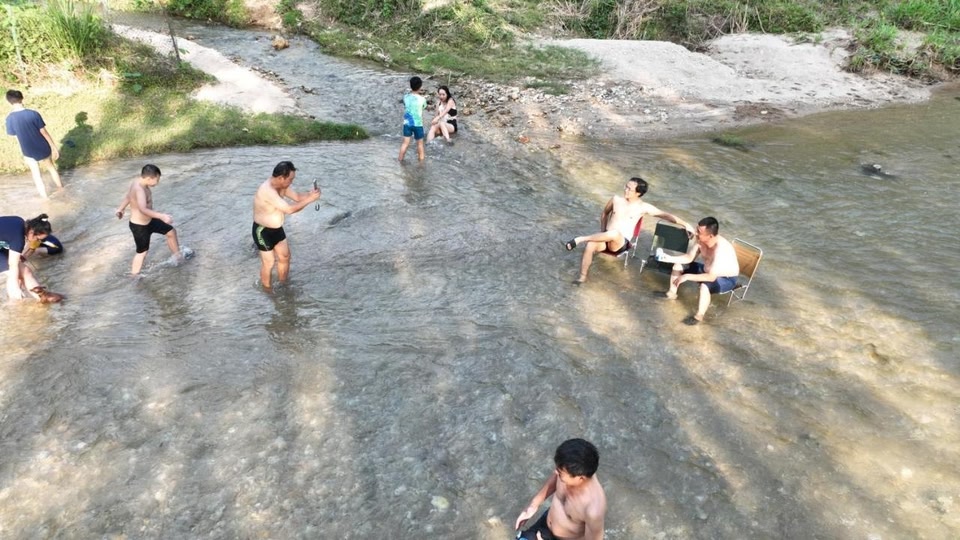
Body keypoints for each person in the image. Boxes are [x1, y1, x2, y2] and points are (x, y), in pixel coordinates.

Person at [564, 177, 693, 284]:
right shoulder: (616, 199)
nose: (625, 190)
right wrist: (602, 231)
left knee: (615, 233)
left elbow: (665, 215)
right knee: (590, 244)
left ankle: (580, 239)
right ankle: (582, 277)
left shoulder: (643, 207)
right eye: (626, 187)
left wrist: (685, 224)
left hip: (620, 243)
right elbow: (604, 213)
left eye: (629, 189)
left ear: (638, 193)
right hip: (606, 237)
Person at [514, 438, 606, 540]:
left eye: (560, 472)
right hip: (545, 526)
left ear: (580, 478)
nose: (555, 473)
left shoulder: (593, 510)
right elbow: (555, 478)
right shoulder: (570, 469)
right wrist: (533, 505)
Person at [252, 160, 320, 290]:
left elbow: (297, 197)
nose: (291, 182)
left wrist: (311, 195)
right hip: (262, 231)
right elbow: (289, 210)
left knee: (285, 257)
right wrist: (310, 200)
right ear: (281, 178)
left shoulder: (282, 185)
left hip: (277, 229)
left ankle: (283, 285)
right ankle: (267, 291)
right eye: (290, 179)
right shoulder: (268, 190)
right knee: (269, 263)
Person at [659, 216, 740, 323]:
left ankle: (699, 316)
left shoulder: (721, 250)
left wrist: (687, 276)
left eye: (699, 232)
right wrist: (669, 258)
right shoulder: (700, 240)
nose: (696, 233)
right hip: (707, 271)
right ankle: (671, 294)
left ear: (710, 236)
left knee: (705, 285)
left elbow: (711, 278)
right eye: (696, 229)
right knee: (678, 265)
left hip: (726, 278)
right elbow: (689, 258)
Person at [115, 164, 185, 276]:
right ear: (149, 178)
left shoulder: (137, 182)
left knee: (171, 231)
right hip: (139, 226)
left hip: (150, 220)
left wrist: (120, 209)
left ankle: (178, 257)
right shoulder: (139, 190)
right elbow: (143, 209)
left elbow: (128, 196)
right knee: (142, 252)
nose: (158, 182)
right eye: (157, 179)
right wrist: (162, 216)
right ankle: (134, 276)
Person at [5, 89, 63, 199]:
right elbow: (44, 132)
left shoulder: (9, 119)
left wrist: (22, 150)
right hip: (43, 147)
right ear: (22, 98)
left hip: (27, 150)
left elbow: (16, 137)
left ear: (9, 102)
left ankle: (45, 198)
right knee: (51, 168)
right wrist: (54, 147)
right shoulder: (33, 114)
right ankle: (61, 189)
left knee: (36, 175)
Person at [0, 213, 64, 303]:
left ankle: (42, 297)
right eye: (38, 239)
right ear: (31, 232)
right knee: (14, 274)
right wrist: (15, 286)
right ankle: (15, 302)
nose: (37, 242)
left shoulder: (19, 221)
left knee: (25, 271)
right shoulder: (18, 238)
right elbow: (12, 264)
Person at [398, 76, 427, 162]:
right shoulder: (422, 99)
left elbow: (405, 104)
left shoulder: (406, 97)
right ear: (420, 87)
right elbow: (424, 107)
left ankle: (400, 160)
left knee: (405, 143)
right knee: (420, 145)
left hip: (407, 124)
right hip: (418, 124)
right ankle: (421, 164)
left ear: (410, 86)